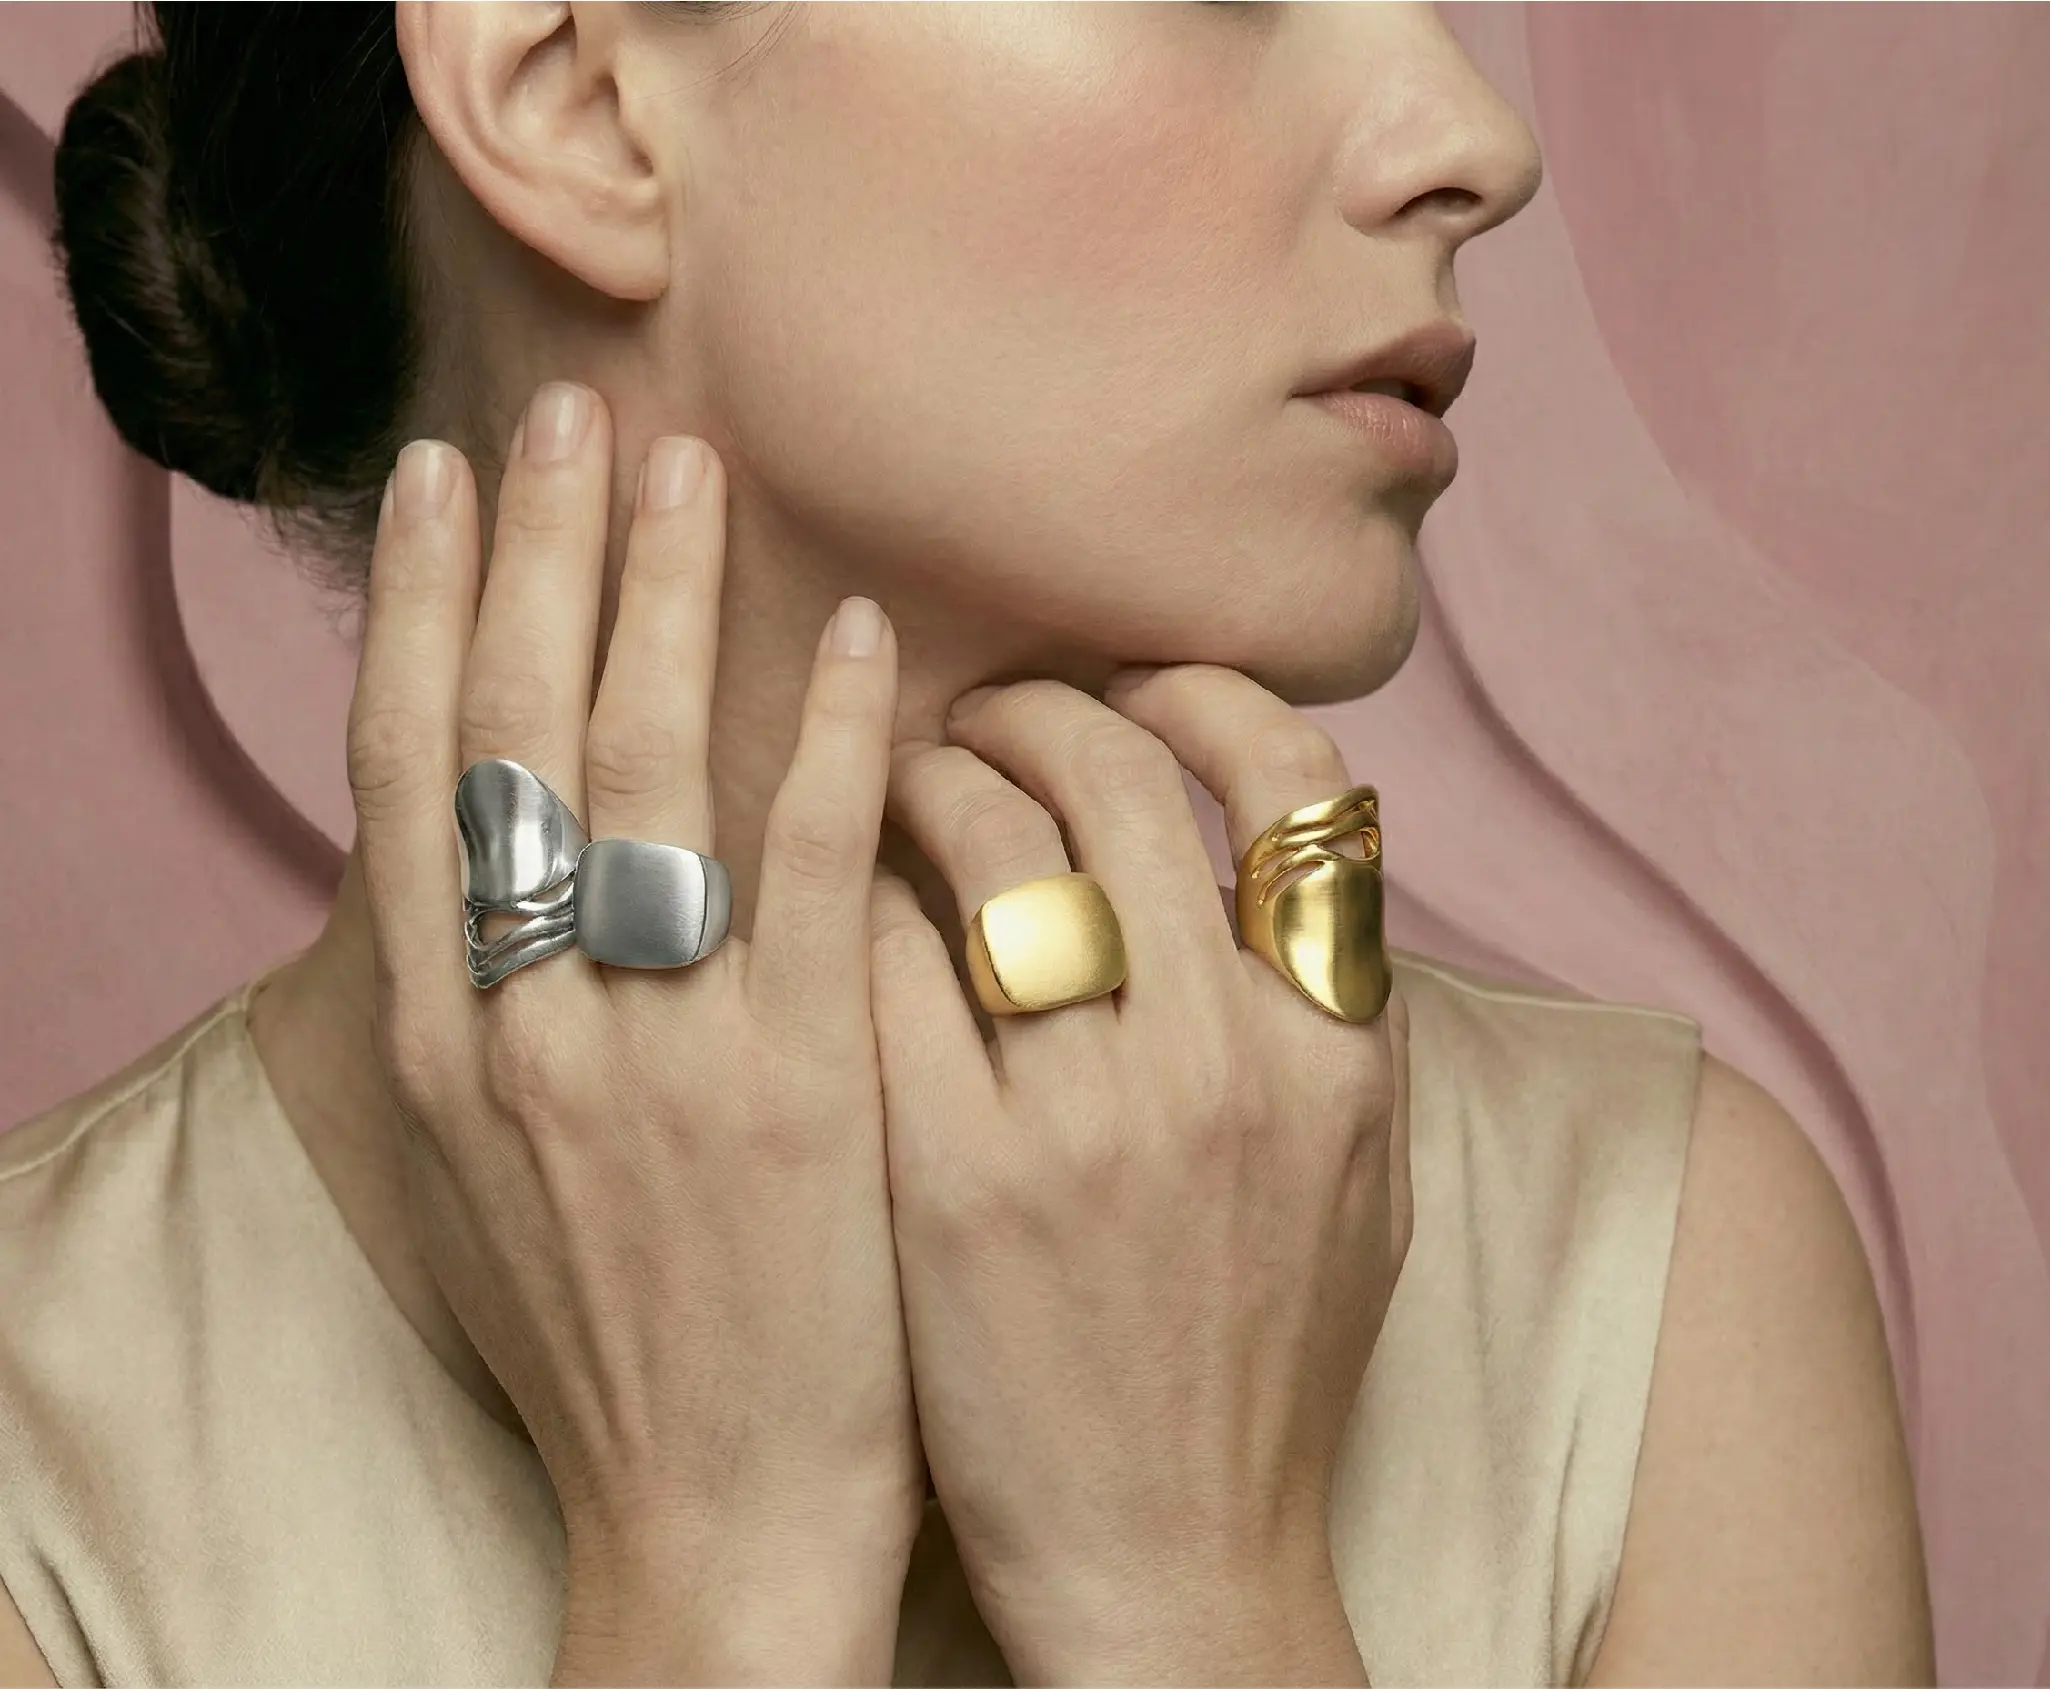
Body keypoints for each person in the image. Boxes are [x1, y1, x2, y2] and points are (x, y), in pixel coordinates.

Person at [0, 2, 1935, 1683]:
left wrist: (1189, 1594)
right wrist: (721, 1564)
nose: (1475, 141)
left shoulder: (1660, 1281)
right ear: (573, 96)